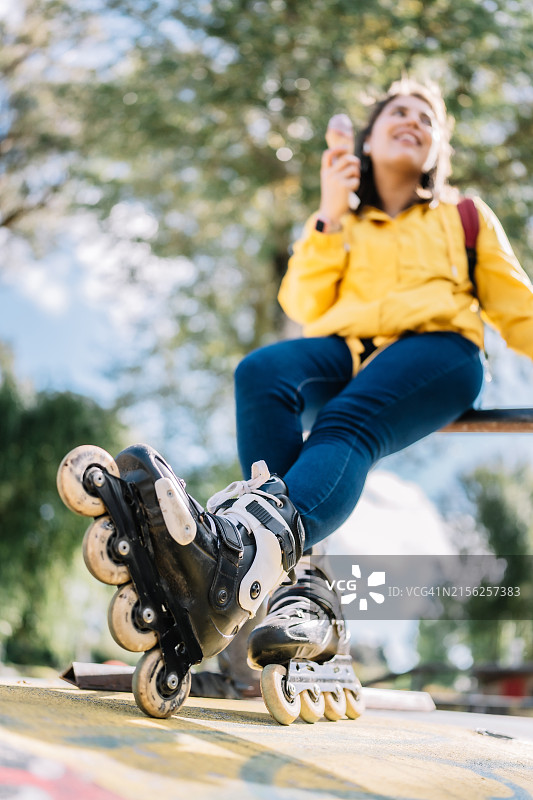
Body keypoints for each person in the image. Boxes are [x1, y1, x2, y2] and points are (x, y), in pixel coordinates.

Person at [58, 78, 533, 719]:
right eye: (398, 111)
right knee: (262, 373)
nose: (413, 120)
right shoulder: (344, 221)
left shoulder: (464, 216)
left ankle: (243, 551)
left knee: (346, 425)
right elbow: (303, 302)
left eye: (428, 118)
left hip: (439, 352)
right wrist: (330, 211)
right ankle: (293, 585)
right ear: (366, 139)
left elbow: (520, 311)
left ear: (437, 149)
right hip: (352, 349)